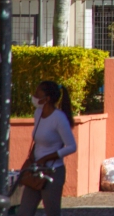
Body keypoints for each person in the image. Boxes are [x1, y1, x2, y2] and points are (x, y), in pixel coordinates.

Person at [17, 81, 77, 216]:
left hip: (53, 172)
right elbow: (38, 140)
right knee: (24, 212)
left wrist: (46, 158)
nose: (34, 96)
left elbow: (72, 146)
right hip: (35, 170)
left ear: (47, 98)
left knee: (52, 212)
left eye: (38, 93)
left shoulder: (59, 118)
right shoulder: (38, 113)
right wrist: (33, 158)